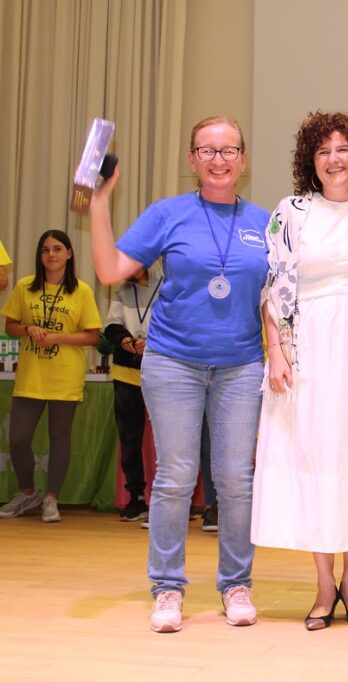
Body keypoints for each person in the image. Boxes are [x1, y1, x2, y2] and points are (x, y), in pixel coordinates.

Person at [88, 116, 269, 633]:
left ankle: (236, 584)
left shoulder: (265, 222)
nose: (218, 159)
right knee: (175, 477)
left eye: (228, 150)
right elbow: (109, 270)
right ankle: (167, 588)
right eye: (207, 150)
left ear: (243, 158)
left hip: (240, 366)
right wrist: (98, 202)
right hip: (173, 363)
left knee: (235, 480)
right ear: (192, 159)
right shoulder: (167, 214)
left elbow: (279, 295)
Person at [251, 110, 348, 631]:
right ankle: (322, 585)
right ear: (310, 162)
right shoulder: (291, 213)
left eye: (343, 149)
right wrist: (276, 350)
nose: (333, 160)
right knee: (312, 456)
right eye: (323, 151)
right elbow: (273, 287)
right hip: (308, 350)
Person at [0, 230, 101, 522]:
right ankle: (28, 493)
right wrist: (28, 328)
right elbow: (10, 327)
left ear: (69, 253)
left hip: (64, 376)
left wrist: (58, 338)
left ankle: (51, 498)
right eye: (45, 250)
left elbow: (93, 336)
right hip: (31, 375)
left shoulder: (82, 291)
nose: (51, 255)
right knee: (18, 438)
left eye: (57, 249)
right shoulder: (25, 286)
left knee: (59, 438)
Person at [104, 263, 163, 523]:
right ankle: (136, 497)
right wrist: (125, 340)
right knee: (129, 438)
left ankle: (169, 500)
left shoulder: (168, 286)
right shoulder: (122, 292)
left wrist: (152, 342)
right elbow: (111, 325)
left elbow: (179, 324)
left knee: (170, 440)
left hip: (163, 371)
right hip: (126, 373)